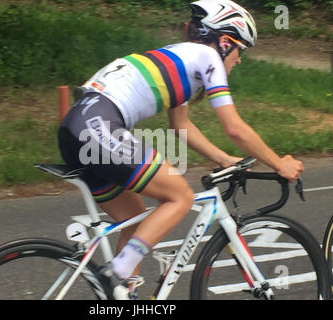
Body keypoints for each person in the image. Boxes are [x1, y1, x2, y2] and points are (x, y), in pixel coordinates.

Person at [57, 0, 304, 299]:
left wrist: (225, 159)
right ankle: (117, 271)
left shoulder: (181, 58)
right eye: (241, 50)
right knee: (180, 196)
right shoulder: (206, 56)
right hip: (97, 124)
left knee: (134, 220)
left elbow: (182, 127)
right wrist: (280, 164)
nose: (239, 60)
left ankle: (124, 297)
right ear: (225, 42)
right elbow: (234, 127)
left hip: (76, 127)